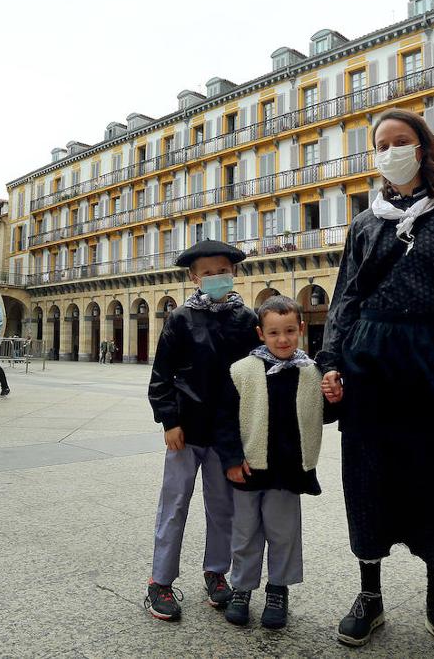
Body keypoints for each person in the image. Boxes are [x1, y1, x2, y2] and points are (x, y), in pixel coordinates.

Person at [317, 109, 434, 656]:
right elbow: (345, 297)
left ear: (422, 147)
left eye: (401, 140)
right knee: (367, 477)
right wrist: (331, 360)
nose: (391, 150)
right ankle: (369, 596)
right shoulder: (364, 223)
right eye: (382, 144)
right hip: (370, 359)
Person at [145, 239, 260, 621]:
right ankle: (160, 581)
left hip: (225, 434)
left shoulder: (246, 319)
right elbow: (161, 375)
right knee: (174, 504)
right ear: (194, 278)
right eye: (207, 273)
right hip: (186, 430)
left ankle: (216, 572)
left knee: (222, 507)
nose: (216, 278)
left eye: (222, 271)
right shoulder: (180, 319)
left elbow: (255, 374)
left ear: (234, 272)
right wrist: (169, 420)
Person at [214, 295, 337, 630]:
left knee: (284, 533)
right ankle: (242, 588)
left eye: (289, 331)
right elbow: (224, 420)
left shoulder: (310, 371)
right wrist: (232, 459)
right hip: (249, 470)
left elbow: (324, 414)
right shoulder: (242, 371)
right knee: (245, 533)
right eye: (273, 333)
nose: (282, 339)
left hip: (288, 471)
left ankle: (278, 589)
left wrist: (335, 397)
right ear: (260, 333)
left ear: (300, 329)